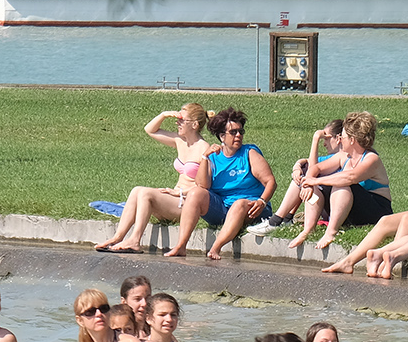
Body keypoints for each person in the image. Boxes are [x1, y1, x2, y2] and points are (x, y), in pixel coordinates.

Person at [94, 104, 212, 253]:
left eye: (182, 120)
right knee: (137, 190)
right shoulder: (180, 141)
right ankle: (117, 237)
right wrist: (164, 114)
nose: (177, 122)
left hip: (186, 203)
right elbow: (150, 130)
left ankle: (135, 240)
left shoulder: (204, 148)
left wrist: (181, 192)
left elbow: (205, 185)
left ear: (194, 125)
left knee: (145, 193)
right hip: (173, 199)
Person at [274, 113, 393, 251]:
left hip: (375, 212)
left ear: (352, 140)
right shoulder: (344, 156)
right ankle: (308, 230)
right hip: (351, 209)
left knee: (340, 184)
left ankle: (331, 232)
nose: (340, 140)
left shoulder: (371, 159)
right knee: (318, 186)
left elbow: (350, 177)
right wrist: (309, 184)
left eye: (343, 137)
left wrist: (315, 181)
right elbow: (317, 168)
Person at [175, 108, 274, 262]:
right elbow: (202, 186)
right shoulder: (214, 157)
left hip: (252, 207)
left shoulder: (249, 153)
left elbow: (270, 182)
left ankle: (216, 247)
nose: (238, 135)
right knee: (195, 193)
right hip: (223, 208)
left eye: (241, 131)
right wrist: (205, 157)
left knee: (239, 204)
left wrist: (262, 201)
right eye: (233, 132)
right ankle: (181, 246)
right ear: (222, 136)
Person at [257, 117, 347, 243]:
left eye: (326, 138)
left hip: (342, 209)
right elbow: (308, 163)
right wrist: (297, 166)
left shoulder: (345, 157)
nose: (324, 143)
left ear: (338, 138)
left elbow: (312, 168)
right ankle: (285, 218)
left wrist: (315, 139)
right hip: (329, 207)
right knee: (304, 175)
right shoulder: (332, 159)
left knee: (307, 176)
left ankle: (276, 220)